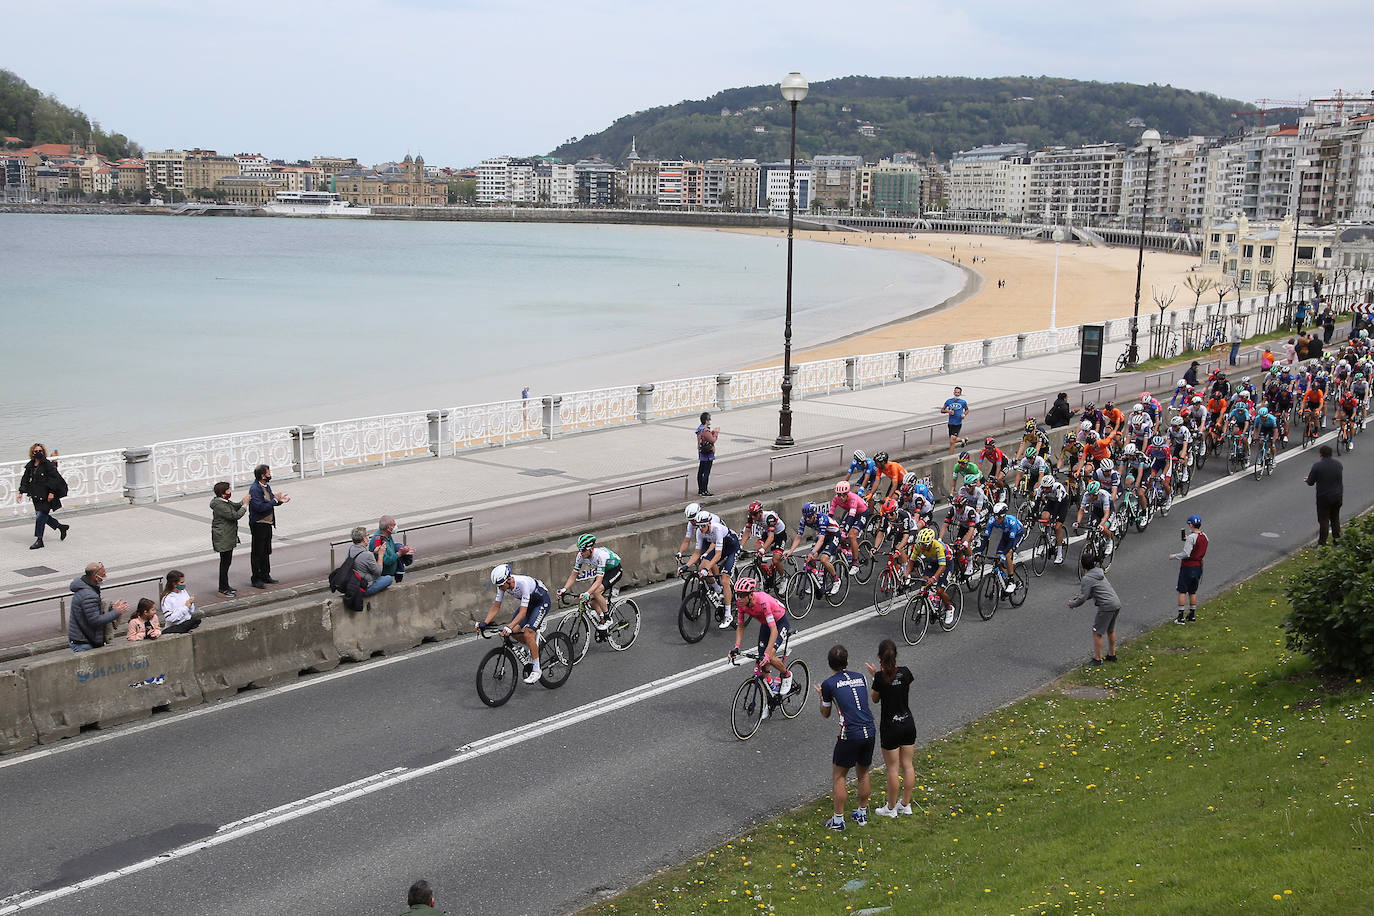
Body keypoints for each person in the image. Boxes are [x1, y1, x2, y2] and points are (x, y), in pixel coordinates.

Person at [817, 644, 875, 830]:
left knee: (839, 776)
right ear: (847, 661)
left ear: (829, 664)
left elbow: (825, 713)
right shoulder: (861, 677)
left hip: (850, 732)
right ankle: (862, 813)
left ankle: (838, 819)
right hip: (869, 729)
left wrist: (821, 697)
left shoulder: (828, 684)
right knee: (863, 773)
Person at [728, 578, 794, 716]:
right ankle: (771, 698)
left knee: (768, 657)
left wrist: (768, 654)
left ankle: (786, 675)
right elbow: (740, 626)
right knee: (762, 665)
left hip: (780, 622)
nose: (738, 598)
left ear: (751, 595)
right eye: (737, 594)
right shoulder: (741, 604)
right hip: (766, 624)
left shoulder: (762, 602)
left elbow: (774, 631)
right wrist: (736, 647)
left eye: (741, 595)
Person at [865, 639, 916, 817]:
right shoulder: (906, 672)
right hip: (908, 723)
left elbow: (875, 699)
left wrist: (875, 676)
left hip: (891, 727)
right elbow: (905, 688)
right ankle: (906, 804)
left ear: (879, 657)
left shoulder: (880, 678)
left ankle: (891, 808)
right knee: (908, 765)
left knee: (893, 769)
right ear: (896, 655)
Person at [480, 564, 551, 684]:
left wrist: (509, 626)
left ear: (508, 580)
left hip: (541, 602)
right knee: (514, 632)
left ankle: (537, 670)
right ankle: (532, 647)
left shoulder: (522, 583)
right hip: (529, 605)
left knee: (528, 634)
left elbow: (522, 613)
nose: (501, 589)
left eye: (501, 586)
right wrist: (484, 622)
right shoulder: (503, 586)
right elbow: (496, 606)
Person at [558, 533, 622, 630]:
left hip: (614, 570)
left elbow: (599, 580)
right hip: (603, 572)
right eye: (579, 549)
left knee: (595, 592)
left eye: (583, 550)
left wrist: (587, 593)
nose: (581, 552)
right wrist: (564, 589)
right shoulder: (580, 556)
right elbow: (573, 575)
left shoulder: (600, 556)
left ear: (591, 549)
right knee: (591, 602)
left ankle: (608, 619)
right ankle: (602, 617)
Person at [1067, 554, 1123, 665]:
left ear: (1082, 564)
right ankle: (1112, 655)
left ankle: (1097, 659)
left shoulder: (1087, 578)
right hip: (1115, 603)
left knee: (1097, 632)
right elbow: (1094, 592)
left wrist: (1072, 604)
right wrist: (1082, 596)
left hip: (1106, 606)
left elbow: (1083, 598)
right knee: (1110, 630)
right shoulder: (1098, 573)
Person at [18, 443, 70, 550]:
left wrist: (51, 492)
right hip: (35, 495)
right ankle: (61, 527)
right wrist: (21, 492)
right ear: (32, 453)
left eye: (40, 451)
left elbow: (54, 478)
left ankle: (39, 540)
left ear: (43, 452)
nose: (38, 453)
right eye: (35, 451)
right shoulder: (30, 465)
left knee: (40, 516)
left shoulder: (47, 464)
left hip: (47, 496)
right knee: (42, 516)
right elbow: (25, 479)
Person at [247, 464, 290, 589]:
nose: (270, 474)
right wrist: (275, 501)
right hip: (259, 524)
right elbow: (259, 507)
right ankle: (256, 578)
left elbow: (271, 501)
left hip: (267, 523)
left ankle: (265, 574)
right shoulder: (255, 489)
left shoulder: (266, 486)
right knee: (257, 552)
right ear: (262, 475)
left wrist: (280, 500)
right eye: (268, 473)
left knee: (266, 551)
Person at [68, 562, 127, 652]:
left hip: (84, 640)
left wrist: (111, 608)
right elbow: (95, 620)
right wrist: (116, 612)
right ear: (96, 577)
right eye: (103, 575)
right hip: (84, 643)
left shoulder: (87, 588)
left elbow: (93, 610)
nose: (105, 576)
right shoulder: (88, 595)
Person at [210, 481, 246, 598]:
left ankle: (226, 586)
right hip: (223, 537)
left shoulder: (224, 502)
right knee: (224, 564)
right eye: (228, 490)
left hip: (228, 536)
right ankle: (223, 588)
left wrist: (243, 501)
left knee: (227, 562)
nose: (230, 492)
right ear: (222, 493)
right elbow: (234, 515)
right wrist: (245, 506)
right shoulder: (220, 505)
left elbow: (234, 506)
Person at [1170, 514, 1208, 624]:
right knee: (1192, 591)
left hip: (1188, 566)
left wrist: (1174, 556)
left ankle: (1180, 616)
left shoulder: (1191, 538)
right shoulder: (1204, 536)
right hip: (1198, 566)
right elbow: (1198, 544)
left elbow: (1186, 553)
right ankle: (1192, 614)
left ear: (1191, 524)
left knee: (1182, 591)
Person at [1305, 445, 1343, 546]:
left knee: (1323, 520)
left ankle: (1322, 543)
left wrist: (1307, 479)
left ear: (1321, 454)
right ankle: (1337, 539)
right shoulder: (1338, 464)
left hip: (1324, 497)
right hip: (1337, 495)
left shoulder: (1317, 466)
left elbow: (1311, 482)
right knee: (1335, 518)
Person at [346, 526, 394, 597]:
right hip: (364, 587)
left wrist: (373, 553)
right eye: (367, 535)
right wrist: (381, 555)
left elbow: (362, 559)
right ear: (364, 539)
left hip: (353, 585)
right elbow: (378, 572)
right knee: (389, 579)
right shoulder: (367, 555)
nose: (368, 537)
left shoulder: (351, 549)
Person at [370, 516, 415, 583]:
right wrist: (400, 553)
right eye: (394, 524)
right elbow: (386, 561)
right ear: (388, 528)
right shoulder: (379, 540)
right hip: (383, 578)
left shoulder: (387, 535)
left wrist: (403, 550)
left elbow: (392, 550)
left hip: (390, 574)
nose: (396, 526)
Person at [159, 569, 203, 634]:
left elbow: (191, 610)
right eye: (181, 582)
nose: (184, 584)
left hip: (187, 621)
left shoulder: (183, 592)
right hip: (177, 625)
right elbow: (170, 619)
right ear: (174, 584)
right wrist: (186, 607)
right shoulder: (167, 598)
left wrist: (190, 603)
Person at [695, 411, 719, 497]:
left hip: (702, 453)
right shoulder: (705, 430)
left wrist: (711, 433)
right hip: (708, 454)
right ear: (706, 421)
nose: (710, 421)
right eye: (709, 419)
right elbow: (712, 440)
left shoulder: (700, 429)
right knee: (706, 473)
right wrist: (716, 433)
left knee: (700, 471)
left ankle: (700, 490)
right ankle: (704, 490)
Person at [941, 385, 970, 453]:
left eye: (958, 393)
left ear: (960, 394)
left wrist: (964, 414)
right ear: (953, 392)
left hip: (958, 424)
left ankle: (951, 457)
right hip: (950, 423)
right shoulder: (949, 401)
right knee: (952, 440)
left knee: (952, 441)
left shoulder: (963, 402)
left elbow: (967, 410)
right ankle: (963, 440)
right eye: (955, 392)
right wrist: (948, 411)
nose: (956, 394)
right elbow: (942, 410)